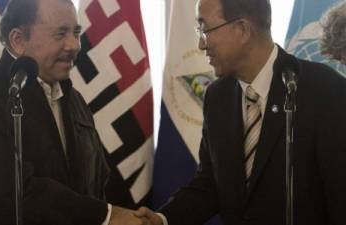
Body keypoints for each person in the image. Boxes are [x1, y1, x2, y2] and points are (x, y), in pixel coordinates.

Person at [136, 0, 346, 224]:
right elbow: (210, 185)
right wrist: (162, 218)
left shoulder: (322, 88)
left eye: (205, 29)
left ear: (243, 30)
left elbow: (339, 195)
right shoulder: (218, 97)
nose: (200, 44)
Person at [0, 0, 147, 224]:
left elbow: (96, 182)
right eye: (60, 34)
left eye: (76, 32)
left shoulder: (75, 101)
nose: (74, 45)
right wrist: (106, 216)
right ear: (18, 40)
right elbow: (9, 192)